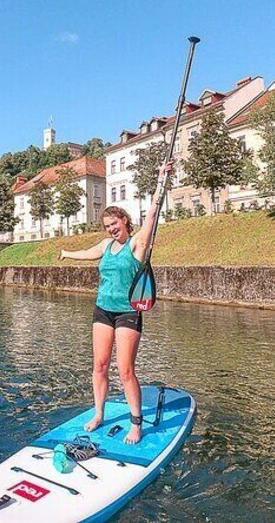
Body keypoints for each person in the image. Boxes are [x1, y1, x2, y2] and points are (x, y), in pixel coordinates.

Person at [59, 161, 173, 445]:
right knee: (99, 366)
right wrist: (66, 253)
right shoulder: (106, 247)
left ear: (124, 221)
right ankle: (99, 413)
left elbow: (152, 215)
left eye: (115, 224)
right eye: (107, 226)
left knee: (125, 370)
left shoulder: (137, 244)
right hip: (103, 310)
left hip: (127, 311)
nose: (111, 229)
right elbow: (88, 253)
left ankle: (136, 423)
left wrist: (161, 179)